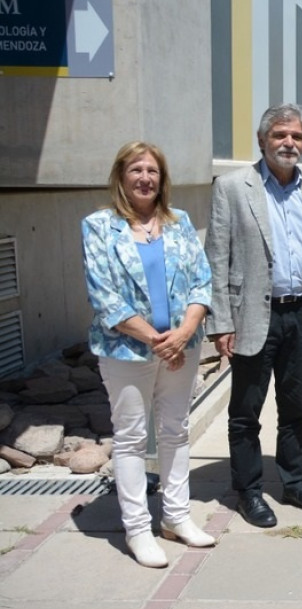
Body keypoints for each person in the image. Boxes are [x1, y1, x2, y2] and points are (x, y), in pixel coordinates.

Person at [205, 103, 302, 528]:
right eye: (281, 135)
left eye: (297, 137)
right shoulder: (232, 187)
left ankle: (294, 482)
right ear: (263, 140)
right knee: (246, 411)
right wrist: (221, 322)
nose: (290, 143)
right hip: (253, 316)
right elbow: (217, 258)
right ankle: (248, 492)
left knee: (295, 407)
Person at [82, 142, 216, 567]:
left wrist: (186, 332)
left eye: (153, 171)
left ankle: (176, 517)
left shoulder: (180, 223)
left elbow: (201, 282)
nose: (145, 178)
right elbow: (105, 298)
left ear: (163, 178)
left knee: (176, 431)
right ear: (121, 176)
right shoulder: (99, 226)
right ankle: (138, 529)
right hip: (126, 350)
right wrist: (161, 341)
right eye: (136, 170)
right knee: (132, 439)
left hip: (183, 345)